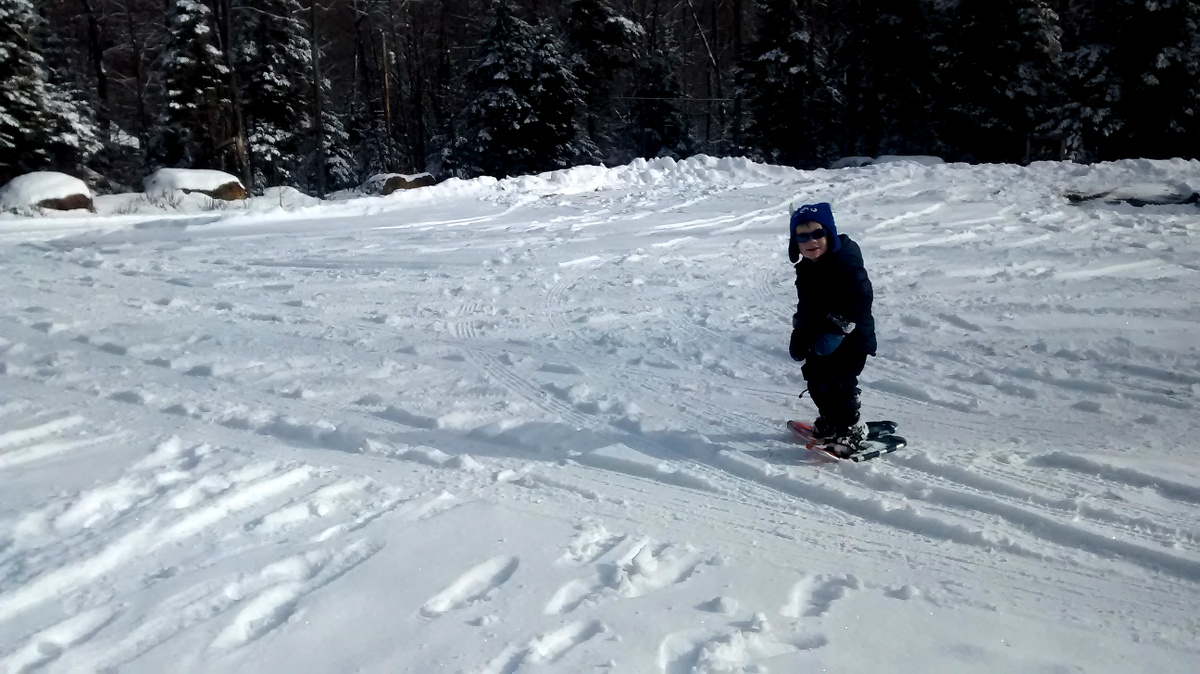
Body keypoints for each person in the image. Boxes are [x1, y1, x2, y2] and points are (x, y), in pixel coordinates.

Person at [787, 202, 877, 455]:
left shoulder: (846, 262)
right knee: (815, 379)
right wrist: (800, 331)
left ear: (830, 234)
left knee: (839, 383)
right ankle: (830, 420)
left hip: (852, 338)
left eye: (818, 234)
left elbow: (860, 298)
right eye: (803, 236)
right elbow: (806, 303)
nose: (811, 241)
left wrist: (838, 327)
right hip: (819, 335)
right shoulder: (806, 268)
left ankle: (851, 427)